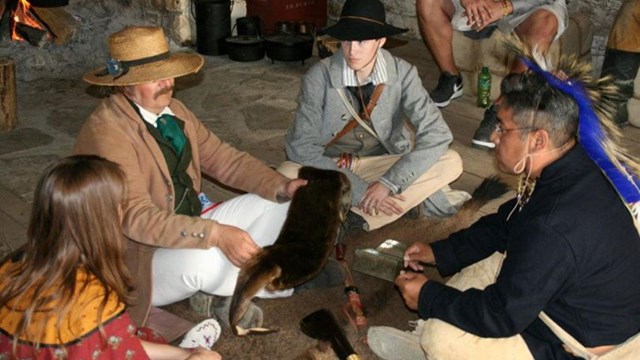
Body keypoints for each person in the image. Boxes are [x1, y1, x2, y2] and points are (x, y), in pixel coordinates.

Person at [368, 42, 640, 359]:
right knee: (481, 265)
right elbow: (508, 221)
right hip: (567, 288)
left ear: (539, 139)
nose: (494, 136)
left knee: (441, 339)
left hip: (580, 338)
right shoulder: (570, 164)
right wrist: (440, 252)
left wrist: (428, 296)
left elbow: (502, 315)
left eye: (502, 127)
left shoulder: (552, 225)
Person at [73, 26, 322, 332]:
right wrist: (215, 235)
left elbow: (224, 159)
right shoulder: (107, 133)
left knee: (286, 205)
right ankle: (274, 280)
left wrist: (281, 185)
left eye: (168, 73)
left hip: (190, 223)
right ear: (125, 85)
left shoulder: (174, 110)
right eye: (155, 77)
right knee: (203, 263)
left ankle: (229, 286)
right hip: (137, 256)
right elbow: (136, 219)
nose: (168, 83)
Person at [0, 155, 221, 359]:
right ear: (103, 220)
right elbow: (123, 351)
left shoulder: (13, 264)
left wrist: (182, 354)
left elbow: (117, 343)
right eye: (120, 204)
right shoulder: (94, 299)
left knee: (134, 335)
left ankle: (186, 350)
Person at [280, 0, 467, 233]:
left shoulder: (403, 73)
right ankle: (386, 205)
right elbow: (301, 147)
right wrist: (359, 190)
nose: (351, 50)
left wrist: (389, 183)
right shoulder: (319, 76)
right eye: (346, 40)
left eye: (361, 41)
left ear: (381, 41)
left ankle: (355, 221)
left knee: (450, 161)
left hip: (383, 164)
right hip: (332, 167)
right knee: (287, 174)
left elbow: (437, 135)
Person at [416, 0, 568, 149]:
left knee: (547, 21)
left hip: (528, 6)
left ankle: (503, 105)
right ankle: (451, 77)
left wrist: (505, 6)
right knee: (428, 3)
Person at [600, 0, 640, 127]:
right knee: (632, 9)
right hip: (626, 48)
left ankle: (612, 116)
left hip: (625, 47)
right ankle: (612, 116)